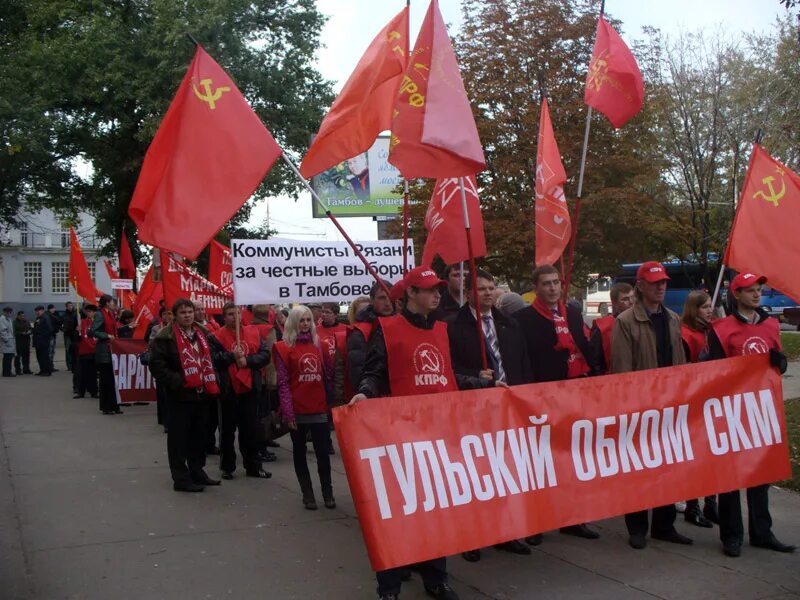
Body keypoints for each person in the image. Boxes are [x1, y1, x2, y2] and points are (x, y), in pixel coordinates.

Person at [351, 266, 504, 600]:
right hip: (400, 437)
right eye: (428, 289)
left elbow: (447, 378)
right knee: (398, 514)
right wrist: (365, 391)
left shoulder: (441, 330)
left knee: (437, 512)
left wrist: (481, 381)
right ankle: (389, 587)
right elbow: (375, 372)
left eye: (438, 289)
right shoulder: (387, 329)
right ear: (411, 294)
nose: (437, 294)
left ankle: (436, 579)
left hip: (440, 436)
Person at [706, 272, 795, 557]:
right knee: (731, 477)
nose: (757, 294)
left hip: (762, 410)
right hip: (733, 411)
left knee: (761, 474)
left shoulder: (770, 326)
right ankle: (731, 535)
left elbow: (776, 367)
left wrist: (779, 363)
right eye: (749, 290)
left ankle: (762, 532)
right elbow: (713, 373)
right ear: (736, 294)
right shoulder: (721, 329)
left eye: (759, 289)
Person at [446, 269, 533, 562]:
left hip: (508, 408)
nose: (487, 293)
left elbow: (522, 364)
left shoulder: (509, 323)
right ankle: (472, 536)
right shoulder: (451, 326)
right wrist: (475, 376)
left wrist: (526, 399)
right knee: (476, 475)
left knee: (505, 472)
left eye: (491, 287)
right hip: (474, 411)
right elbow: (448, 371)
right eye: (481, 288)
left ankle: (505, 532)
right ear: (468, 293)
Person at [514, 265, 599, 542]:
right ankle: (536, 522)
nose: (552, 288)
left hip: (574, 396)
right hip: (541, 399)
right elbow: (524, 359)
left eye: (556, 283)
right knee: (540, 463)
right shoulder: (523, 319)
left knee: (572, 460)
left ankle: (572, 518)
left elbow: (586, 348)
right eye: (546, 284)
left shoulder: (573, 313)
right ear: (536, 288)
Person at [611, 261, 692, 550]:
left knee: (668, 467)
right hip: (641, 408)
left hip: (670, 406)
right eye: (655, 282)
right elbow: (621, 371)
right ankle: (637, 526)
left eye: (664, 282)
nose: (661, 287)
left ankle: (664, 524)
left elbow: (680, 362)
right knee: (639, 469)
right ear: (641, 285)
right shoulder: (625, 322)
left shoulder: (672, 318)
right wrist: (630, 408)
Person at [149, 298, 221, 492]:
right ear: (175, 315)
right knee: (178, 439)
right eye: (183, 312)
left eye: (190, 312)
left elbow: (213, 358)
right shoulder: (165, 337)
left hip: (202, 394)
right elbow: (157, 366)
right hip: (179, 396)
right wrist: (180, 381)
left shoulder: (203, 334)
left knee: (199, 436)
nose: (188, 315)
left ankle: (198, 471)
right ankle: (181, 478)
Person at [274, 306, 335, 509]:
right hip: (297, 410)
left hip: (319, 408)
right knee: (299, 453)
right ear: (293, 322)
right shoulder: (283, 348)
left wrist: (331, 405)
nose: (306, 324)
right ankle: (307, 493)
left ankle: (328, 492)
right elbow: (283, 383)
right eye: (301, 320)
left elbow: (329, 376)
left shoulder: (320, 345)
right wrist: (288, 411)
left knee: (323, 454)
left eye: (308, 320)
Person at [209, 303, 272, 481]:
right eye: (230, 314)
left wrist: (248, 361)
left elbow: (265, 355)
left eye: (237, 313)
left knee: (250, 429)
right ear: (224, 316)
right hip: (228, 389)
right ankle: (227, 467)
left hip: (250, 388)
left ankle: (253, 465)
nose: (234, 317)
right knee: (227, 430)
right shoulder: (216, 336)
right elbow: (214, 359)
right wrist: (232, 356)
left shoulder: (254, 332)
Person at [678, 290, 717, 528]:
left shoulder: (712, 331)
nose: (709, 310)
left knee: (713, 456)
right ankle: (693, 507)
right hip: (694, 402)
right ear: (694, 309)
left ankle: (711, 505)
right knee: (695, 457)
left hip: (712, 400)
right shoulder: (686, 334)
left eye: (711, 305)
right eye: (704, 307)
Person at [251, 304, 279, 462]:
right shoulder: (269, 330)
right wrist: (272, 380)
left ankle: (262, 442)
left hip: (254, 376)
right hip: (265, 377)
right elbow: (271, 358)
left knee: (258, 412)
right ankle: (262, 446)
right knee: (264, 412)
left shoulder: (248, 327)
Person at [589, 282, 634, 375]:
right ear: (615, 303)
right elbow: (595, 362)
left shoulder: (645, 322)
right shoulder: (602, 327)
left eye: (633, 297)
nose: (631, 302)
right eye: (625, 299)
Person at [194, 302, 221, 453]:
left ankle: (210, 443)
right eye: (197, 309)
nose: (201, 312)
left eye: (202, 309)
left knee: (213, 415)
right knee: (202, 415)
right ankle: (202, 444)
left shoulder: (212, 325)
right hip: (199, 375)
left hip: (213, 374)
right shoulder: (191, 329)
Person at [92, 295, 122, 415]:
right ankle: (106, 406)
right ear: (107, 303)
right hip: (104, 351)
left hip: (112, 349)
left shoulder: (111, 314)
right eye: (112, 302)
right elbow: (94, 330)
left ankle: (114, 405)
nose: (114, 304)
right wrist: (107, 336)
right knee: (106, 380)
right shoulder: (100, 314)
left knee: (114, 380)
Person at [75, 304, 98, 399]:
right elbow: (78, 337)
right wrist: (77, 331)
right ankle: (81, 392)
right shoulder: (83, 322)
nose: (89, 313)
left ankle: (94, 391)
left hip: (94, 350)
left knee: (92, 373)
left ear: (94, 313)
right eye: (87, 312)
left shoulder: (97, 322)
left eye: (91, 312)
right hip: (84, 351)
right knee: (82, 373)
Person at [32, 305, 54, 376]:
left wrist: (41, 334)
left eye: (39, 311)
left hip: (43, 340)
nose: (37, 312)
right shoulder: (38, 318)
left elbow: (49, 329)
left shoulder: (45, 317)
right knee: (39, 356)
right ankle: (42, 370)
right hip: (38, 341)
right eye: (36, 311)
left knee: (44, 356)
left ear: (42, 311)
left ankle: (47, 371)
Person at [13, 311, 33, 375]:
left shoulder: (27, 321)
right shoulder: (14, 322)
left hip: (26, 341)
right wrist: (21, 333)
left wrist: (30, 331)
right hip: (18, 342)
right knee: (17, 357)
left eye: (23, 316)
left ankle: (26, 369)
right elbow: (14, 332)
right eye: (21, 316)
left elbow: (31, 329)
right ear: (18, 316)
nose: (23, 317)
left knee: (26, 357)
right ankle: (18, 370)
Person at [62, 302, 79, 372]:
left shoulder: (76, 314)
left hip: (74, 334)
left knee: (74, 350)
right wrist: (63, 329)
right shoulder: (64, 315)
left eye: (71, 305)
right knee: (68, 350)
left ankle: (74, 365)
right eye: (69, 306)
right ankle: (69, 365)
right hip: (67, 335)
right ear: (66, 307)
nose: (70, 307)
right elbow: (60, 323)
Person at [0, 307, 16, 377]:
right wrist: (6, 339)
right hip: (7, 341)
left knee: (9, 357)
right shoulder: (2, 319)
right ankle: (6, 373)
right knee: (7, 357)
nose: (9, 313)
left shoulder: (9, 319)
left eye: (10, 312)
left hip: (10, 340)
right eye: (8, 312)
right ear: (4, 312)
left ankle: (7, 371)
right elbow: (2, 330)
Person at [47, 304, 62, 370]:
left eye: (54, 308)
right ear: (50, 309)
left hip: (53, 334)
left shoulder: (54, 314)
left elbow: (59, 321)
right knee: (50, 351)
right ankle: (49, 366)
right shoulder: (48, 315)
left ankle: (51, 366)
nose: (54, 310)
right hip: (50, 335)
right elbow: (58, 320)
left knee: (52, 351)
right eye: (53, 308)